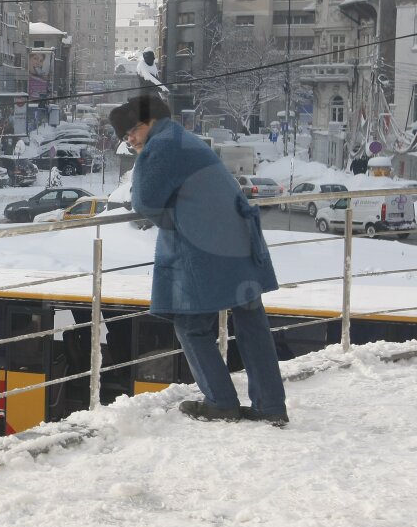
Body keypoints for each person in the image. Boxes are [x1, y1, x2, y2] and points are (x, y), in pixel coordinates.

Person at [109, 94, 288, 426]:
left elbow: (145, 201)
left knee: (190, 325)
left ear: (149, 123)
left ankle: (221, 401)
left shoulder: (160, 146)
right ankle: (271, 405)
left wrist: (174, 220)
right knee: (250, 322)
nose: (130, 140)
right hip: (239, 240)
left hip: (206, 247)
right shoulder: (184, 138)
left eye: (132, 131)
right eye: (125, 136)